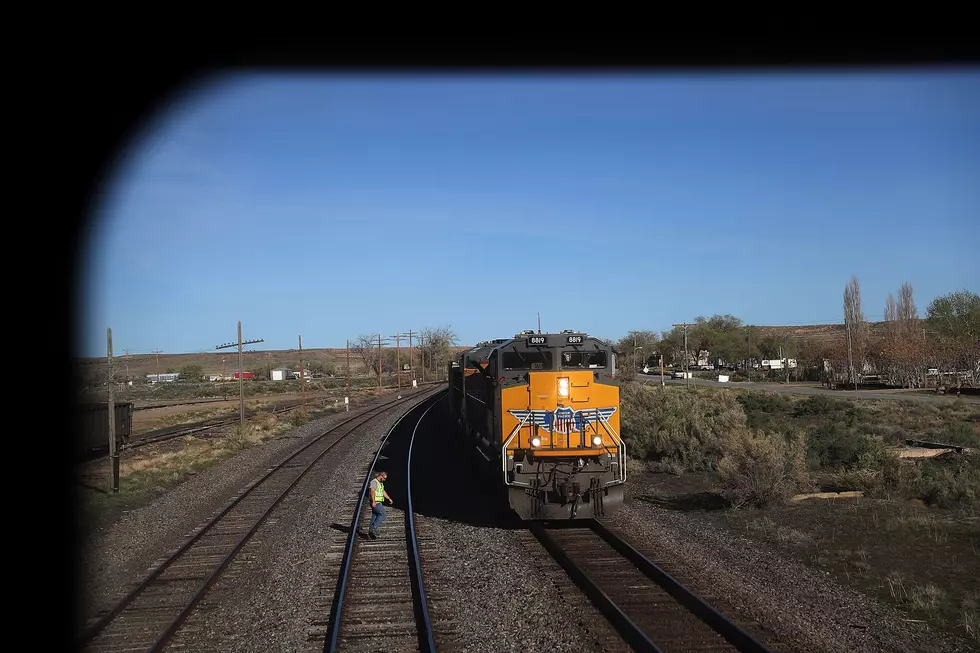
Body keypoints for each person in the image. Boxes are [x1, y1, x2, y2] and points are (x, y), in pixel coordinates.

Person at [368, 470, 391, 539]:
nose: (385, 480)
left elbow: (383, 491)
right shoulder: (374, 482)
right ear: (381, 476)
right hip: (376, 502)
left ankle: (370, 532)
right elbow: (372, 491)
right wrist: (374, 501)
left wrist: (388, 498)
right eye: (384, 478)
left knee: (375, 516)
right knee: (383, 515)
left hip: (378, 502)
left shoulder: (380, 483)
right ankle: (373, 528)